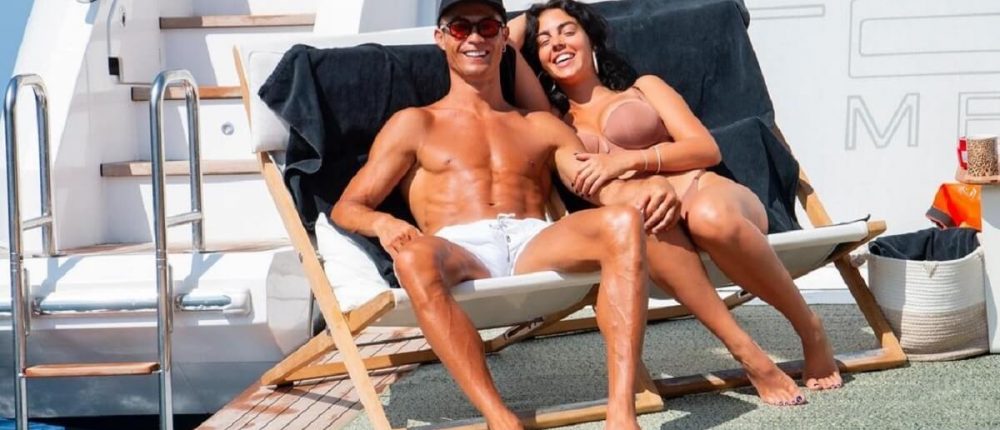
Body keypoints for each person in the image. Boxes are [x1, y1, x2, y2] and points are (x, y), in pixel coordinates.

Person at [331, 1, 674, 428]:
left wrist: (647, 187)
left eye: (489, 27)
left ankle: (621, 411)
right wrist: (383, 223)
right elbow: (348, 206)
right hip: (459, 249)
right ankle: (499, 417)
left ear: (504, 39)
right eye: (461, 28)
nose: (475, 38)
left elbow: (600, 186)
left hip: (534, 242)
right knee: (413, 257)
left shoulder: (540, 125)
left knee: (622, 222)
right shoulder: (415, 124)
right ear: (441, 38)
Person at [507, 0, 843, 405]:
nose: (557, 43)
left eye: (567, 31)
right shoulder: (551, 121)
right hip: (651, 222)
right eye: (544, 41)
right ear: (537, 61)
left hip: (704, 189)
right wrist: (529, 18)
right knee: (640, 223)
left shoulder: (644, 88)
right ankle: (747, 353)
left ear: (591, 39)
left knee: (708, 217)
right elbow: (505, 43)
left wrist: (630, 161)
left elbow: (705, 148)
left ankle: (810, 329)